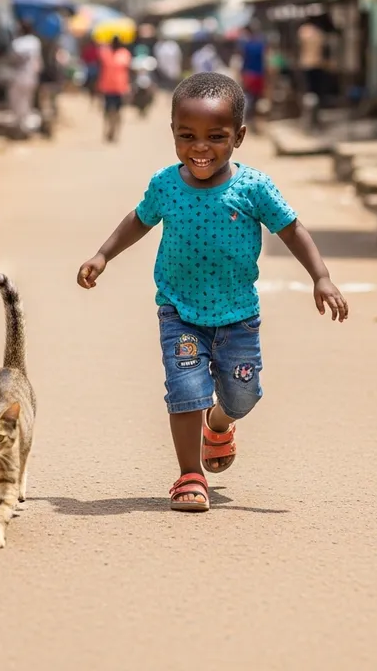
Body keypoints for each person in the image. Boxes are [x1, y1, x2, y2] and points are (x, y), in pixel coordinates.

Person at [77, 73, 348, 512]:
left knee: (243, 396)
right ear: (173, 134)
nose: (200, 148)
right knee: (185, 389)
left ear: (239, 137)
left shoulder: (253, 187)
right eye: (187, 136)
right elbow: (140, 219)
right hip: (179, 312)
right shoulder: (166, 184)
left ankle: (218, 425)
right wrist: (103, 255)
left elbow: (292, 229)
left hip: (238, 315)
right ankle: (189, 476)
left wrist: (321, 276)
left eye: (215, 137)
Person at [6, 20, 42, 136]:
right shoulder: (35, 42)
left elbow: (11, 60)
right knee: (27, 102)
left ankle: (21, 127)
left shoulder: (17, 43)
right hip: (31, 77)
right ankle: (24, 128)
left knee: (17, 103)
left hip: (19, 77)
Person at [97, 36, 132, 142]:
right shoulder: (105, 53)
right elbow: (100, 67)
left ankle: (115, 131)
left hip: (120, 88)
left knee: (117, 112)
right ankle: (108, 129)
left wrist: (129, 86)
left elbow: (128, 71)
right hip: (107, 87)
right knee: (107, 111)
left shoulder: (125, 54)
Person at [238, 23, 267, 133]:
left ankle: (249, 120)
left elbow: (244, 62)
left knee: (249, 98)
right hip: (259, 75)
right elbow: (264, 61)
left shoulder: (246, 45)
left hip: (249, 75)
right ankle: (253, 121)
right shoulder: (261, 44)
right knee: (256, 98)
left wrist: (242, 75)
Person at [297, 16, 325, 125]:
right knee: (316, 92)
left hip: (306, 64)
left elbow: (299, 46)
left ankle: (308, 117)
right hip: (318, 64)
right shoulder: (319, 33)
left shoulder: (303, 31)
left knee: (308, 92)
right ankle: (314, 117)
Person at [80, 38, 101, 104]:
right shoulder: (97, 50)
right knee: (94, 83)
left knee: (90, 83)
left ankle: (92, 94)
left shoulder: (88, 49)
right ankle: (94, 95)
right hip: (93, 69)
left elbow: (83, 58)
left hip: (90, 69)